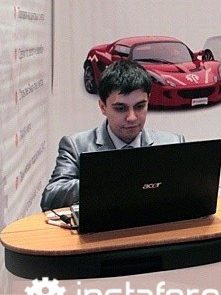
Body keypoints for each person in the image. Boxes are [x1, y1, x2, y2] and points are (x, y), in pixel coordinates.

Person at [41, 60, 185, 210]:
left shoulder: (173, 143)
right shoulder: (76, 146)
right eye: (120, 108)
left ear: (148, 101)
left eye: (140, 106)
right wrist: (111, 181)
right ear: (103, 107)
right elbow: (51, 198)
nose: (132, 117)